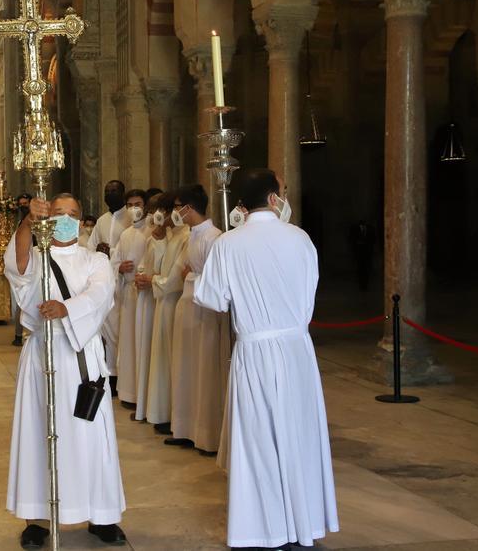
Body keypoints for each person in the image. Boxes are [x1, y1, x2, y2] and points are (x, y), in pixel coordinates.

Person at [195, 169, 338, 550]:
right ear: (274, 199)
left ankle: (263, 529)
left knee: (257, 439)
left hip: (254, 349)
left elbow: (211, 299)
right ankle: (302, 524)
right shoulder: (301, 238)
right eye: (283, 192)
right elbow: (309, 293)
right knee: (299, 434)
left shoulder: (229, 243)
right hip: (295, 349)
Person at [4, 193, 127, 549]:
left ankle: (102, 516)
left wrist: (67, 309)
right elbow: (17, 267)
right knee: (40, 432)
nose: (66, 218)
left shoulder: (95, 260)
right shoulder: (38, 255)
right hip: (43, 354)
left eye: (73, 213)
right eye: (58, 213)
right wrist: (27, 222)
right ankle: (37, 519)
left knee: (90, 435)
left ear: (82, 220)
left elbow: (102, 294)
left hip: (80, 356)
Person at [166, 184, 224, 454]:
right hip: (188, 306)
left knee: (204, 370)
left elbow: (218, 281)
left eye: (178, 206)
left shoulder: (214, 237)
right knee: (185, 368)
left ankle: (206, 434)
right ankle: (185, 428)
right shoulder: (192, 235)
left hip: (205, 311)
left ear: (189, 207)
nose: (176, 212)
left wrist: (191, 275)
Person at [144, 192, 188, 431]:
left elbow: (175, 279)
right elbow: (161, 266)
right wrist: (159, 239)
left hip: (174, 302)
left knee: (172, 361)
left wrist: (153, 281)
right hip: (164, 302)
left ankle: (173, 416)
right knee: (162, 360)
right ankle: (163, 412)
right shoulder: (171, 235)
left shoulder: (187, 236)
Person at [86, 180, 129, 387]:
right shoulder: (102, 220)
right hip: (107, 281)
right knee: (108, 328)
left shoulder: (131, 218)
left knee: (124, 329)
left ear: (123, 193)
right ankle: (111, 374)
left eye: (114, 191)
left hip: (125, 280)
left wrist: (109, 252)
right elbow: (90, 247)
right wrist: (98, 251)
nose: (110, 194)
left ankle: (125, 375)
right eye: (107, 190)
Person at [130, 193, 168, 420]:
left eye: (158, 210)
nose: (154, 216)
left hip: (162, 301)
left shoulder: (177, 237)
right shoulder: (149, 238)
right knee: (146, 352)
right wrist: (140, 276)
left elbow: (171, 271)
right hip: (148, 300)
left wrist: (151, 279)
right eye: (151, 211)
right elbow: (144, 265)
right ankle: (145, 404)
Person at [111, 189, 149, 405]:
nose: (135, 208)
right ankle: (128, 392)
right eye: (131, 205)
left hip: (145, 294)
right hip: (128, 294)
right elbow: (114, 261)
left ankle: (141, 393)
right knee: (128, 343)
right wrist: (119, 267)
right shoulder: (124, 235)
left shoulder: (152, 231)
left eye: (138, 204)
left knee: (142, 343)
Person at [11, 193, 33, 347]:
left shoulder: (39, 220)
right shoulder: (20, 222)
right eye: (21, 204)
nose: (23, 206)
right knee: (21, 299)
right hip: (24, 264)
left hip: (37, 261)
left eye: (26, 203)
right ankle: (19, 334)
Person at [348, 219, 375, 291]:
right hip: (359, 253)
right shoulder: (355, 229)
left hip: (367, 252)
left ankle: (365, 284)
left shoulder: (370, 229)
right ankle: (361, 284)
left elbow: (373, 239)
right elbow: (351, 238)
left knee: (366, 269)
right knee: (360, 269)